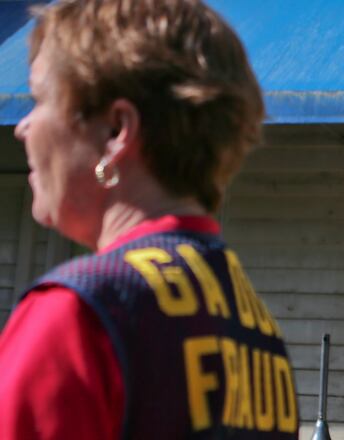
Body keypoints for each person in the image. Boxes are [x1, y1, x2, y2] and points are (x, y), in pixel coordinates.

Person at [0, 1, 298, 438]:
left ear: (117, 131)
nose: (22, 127)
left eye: (40, 99)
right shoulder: (257, 330)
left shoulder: (78, 314)